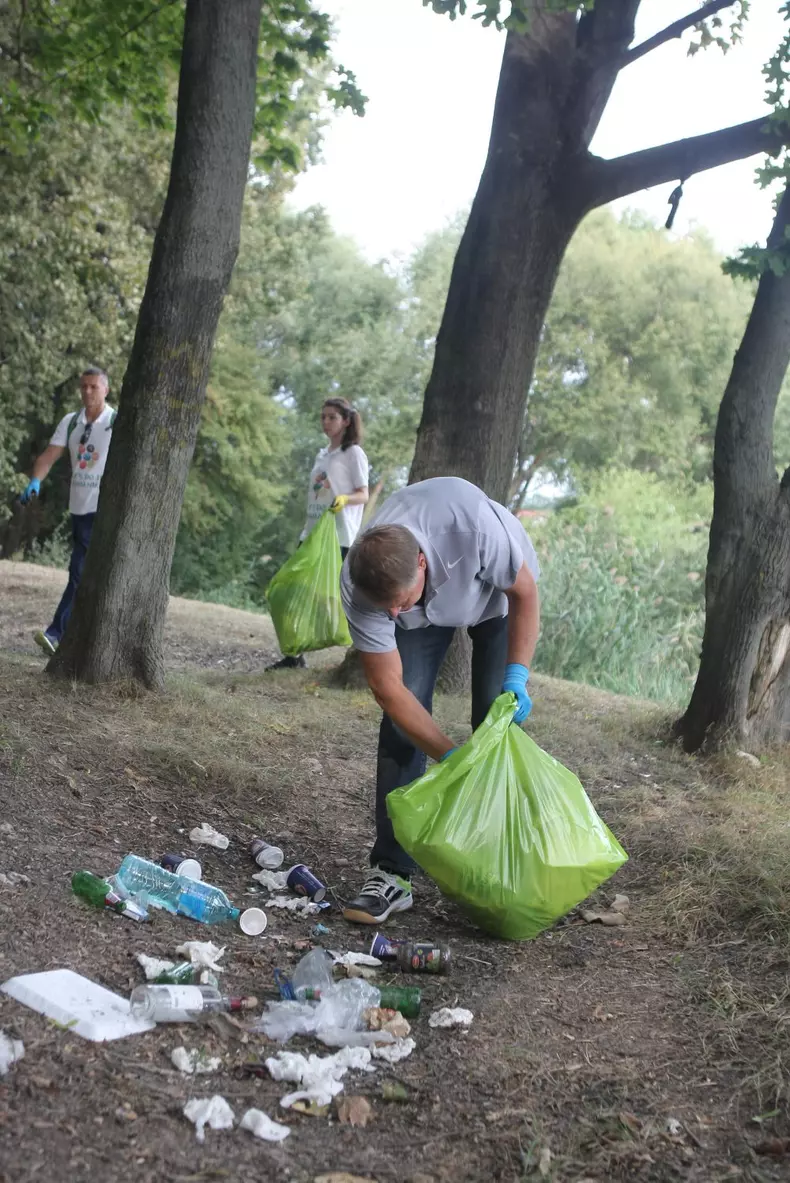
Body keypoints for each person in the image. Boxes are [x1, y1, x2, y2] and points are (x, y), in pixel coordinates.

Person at [339, 476, 541, 924]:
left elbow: (525, 594)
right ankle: (391, 872)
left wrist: (517, 677)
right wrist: (450, 759)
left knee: (495, 719)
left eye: (399, 602)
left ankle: (501, 866)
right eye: (385, 608)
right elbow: (389, 691)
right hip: (425, 616)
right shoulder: (361, 583)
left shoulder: (476, 531)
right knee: (401, 726)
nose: (391, 615)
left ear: (423, 565)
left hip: (494, 595)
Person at [266, 397, 369, 671]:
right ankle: (294, 655)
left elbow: (364, 493)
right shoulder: (322, 454)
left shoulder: (353, 454)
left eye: (332, 417)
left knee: (337, 595)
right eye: (323, 417)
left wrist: (345, 500)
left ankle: (362, 649)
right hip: (312, 532)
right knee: (290, 590)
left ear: (346, 421)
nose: (325, 422)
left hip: (339, 536)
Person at [19, 367, 116, 656]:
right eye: (83, 386)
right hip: (80, 506)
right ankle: (84, 640)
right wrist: (35, 480)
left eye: (93, 387)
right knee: (85, 574)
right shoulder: (71, 421)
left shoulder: (115, 422)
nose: (87, 391)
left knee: (80, 572)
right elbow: (49, 456)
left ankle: (56, 633)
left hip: (105, 509)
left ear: (105, 390)